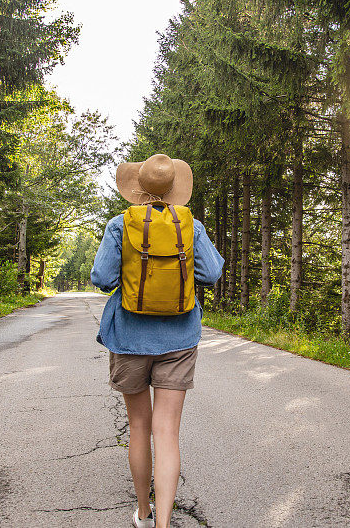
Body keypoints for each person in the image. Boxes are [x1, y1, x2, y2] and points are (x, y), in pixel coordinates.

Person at [90, 154, 224, 528]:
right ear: (173, 189)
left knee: (138, 428)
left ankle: (144, 513)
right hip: (179, 337)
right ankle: (165, 523)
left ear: (138, 189)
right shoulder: (190, 225)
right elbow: (212, 272)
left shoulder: (119, 224)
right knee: (168, 434)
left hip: (129, 337)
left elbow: (101, 278)